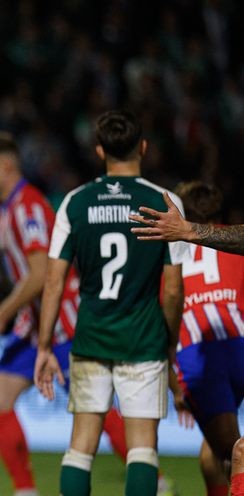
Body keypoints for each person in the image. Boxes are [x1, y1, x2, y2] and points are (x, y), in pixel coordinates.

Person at [35, 110, 189, 496]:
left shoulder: (75, 202)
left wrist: (43, 346)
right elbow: (172, 290)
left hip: (90, 339)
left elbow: (54, 282)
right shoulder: (164, 203)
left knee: (81, 447)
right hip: (143, 340)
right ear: (143, 147)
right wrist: (169, 342)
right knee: (142, 448)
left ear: (101, 151)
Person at [0, 132, 130, 496]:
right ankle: (26, 491)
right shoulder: (8, 208)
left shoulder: (27, 206)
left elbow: (41, 272)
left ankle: (158, 483)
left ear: (5, 165)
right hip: (36, 323)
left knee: (96, 409)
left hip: (66, 322)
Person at [164, 181, 244, 496]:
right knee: (211, 456)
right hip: (238, 343)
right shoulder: (233, 241)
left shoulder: (172, 247)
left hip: (197, 358)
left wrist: (172, 375)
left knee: (232, 455)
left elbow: (169, 302)